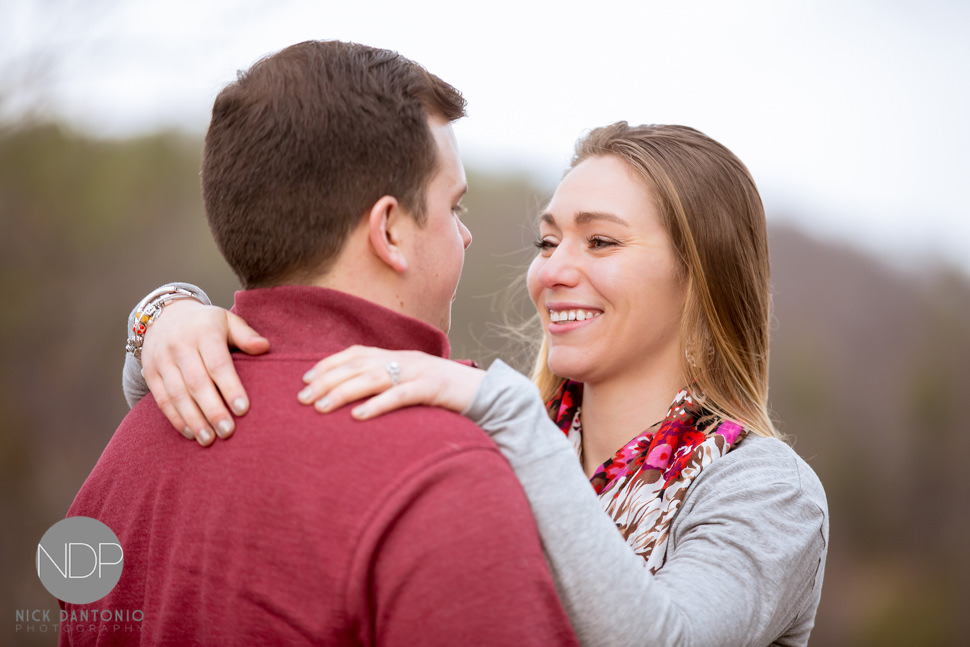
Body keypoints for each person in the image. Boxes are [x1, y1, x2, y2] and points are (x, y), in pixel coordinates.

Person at [128, 123, 829, 646]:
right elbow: (241, 427)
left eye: (601, 242)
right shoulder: (485, 437)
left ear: (701, 275)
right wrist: (166, 318)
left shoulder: (765, 490)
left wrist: (506, 413)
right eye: (549, 241)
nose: (553, 271)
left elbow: (662, 638)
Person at [62, 40, 579, 646]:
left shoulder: (128, 454)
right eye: (453, 206)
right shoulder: (442, 474)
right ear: (388, 229)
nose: (463, 236)